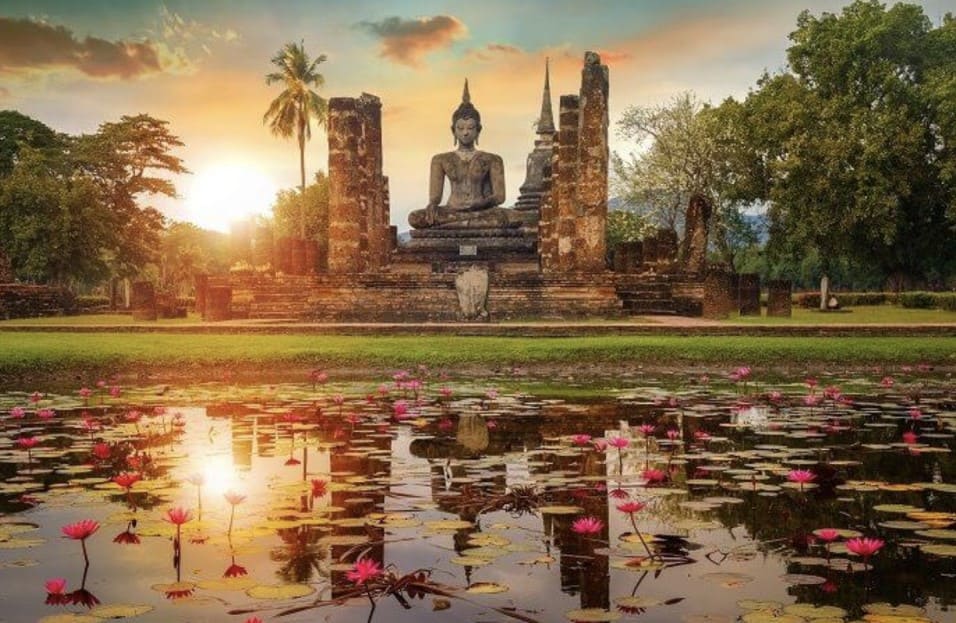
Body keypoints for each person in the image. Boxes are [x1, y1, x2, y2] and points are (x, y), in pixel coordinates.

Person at [408, 81, 522, 229]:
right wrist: (432, 207)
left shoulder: (493, 159)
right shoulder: (440, 159)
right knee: (415, 218)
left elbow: (500, 197)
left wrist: (480, 204)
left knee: (516, 217)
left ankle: (455, 225)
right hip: (452, 211)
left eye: (470, 128)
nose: (465, 132)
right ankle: (465, 224)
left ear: (478, 130)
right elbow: (435, 198)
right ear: (453, 130)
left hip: (482, 212)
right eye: (460, 128)